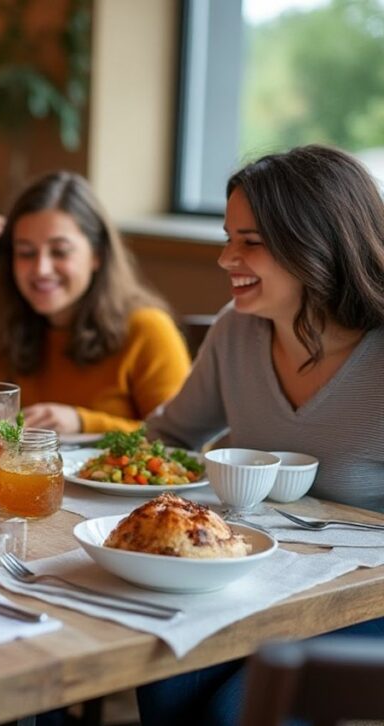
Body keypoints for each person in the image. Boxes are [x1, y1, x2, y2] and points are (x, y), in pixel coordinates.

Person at [137, 144, 384, 726]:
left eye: (250, 241)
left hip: (364, 606)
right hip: (261, 586)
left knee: (232, 712)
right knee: (162, 676)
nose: (226, 258)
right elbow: (168, 438)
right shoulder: (237, 331)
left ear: (318, 243)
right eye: (228, 237)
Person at [0, 171, 191, 434]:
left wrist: (83, 423)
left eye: (60, 251)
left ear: (97, 255)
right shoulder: (17, 328)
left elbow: (179, 439)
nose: (41, 269)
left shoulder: (147, 328)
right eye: (26, 252)